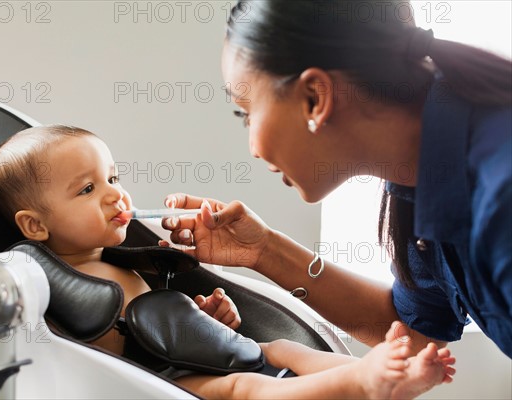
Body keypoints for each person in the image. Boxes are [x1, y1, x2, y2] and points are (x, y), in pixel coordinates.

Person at [0, 125, 454, 399]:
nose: (115, 194)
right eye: (88, 189)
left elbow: (163, 325)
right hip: (173, 382)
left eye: (113, 177)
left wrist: (205, 321)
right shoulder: (61, 285)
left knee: (279, 350)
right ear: (34, 227)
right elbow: (106, 359)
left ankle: (386, 376)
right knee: (246, 391)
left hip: (201, 357)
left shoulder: (120, 262)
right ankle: (363, 383)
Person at [160, 0, 512, 359]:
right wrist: (263, 251)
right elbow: (415, 333)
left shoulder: (500, 192)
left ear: (315, 97)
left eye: (246, 113)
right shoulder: (419, 175)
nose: (252, 148)